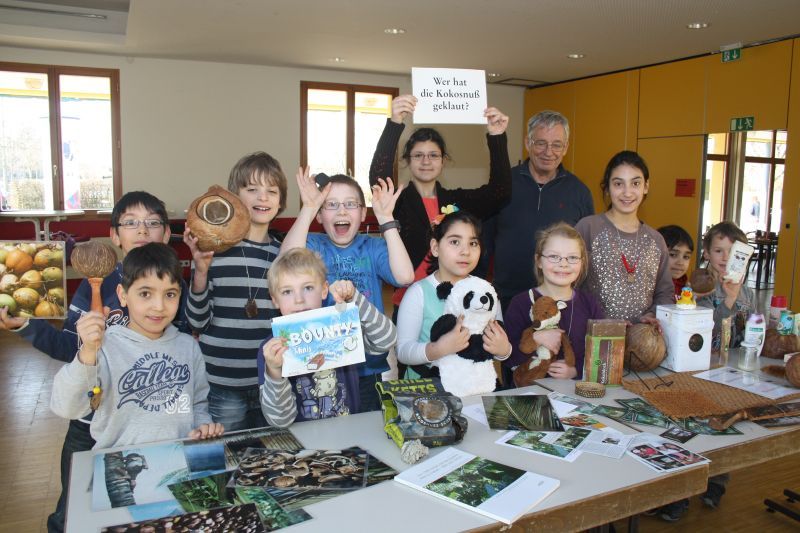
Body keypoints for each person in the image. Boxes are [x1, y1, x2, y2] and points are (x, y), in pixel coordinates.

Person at [0, 190, 185, 533]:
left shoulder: (174, 284)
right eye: (131, 223)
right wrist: (27, 326)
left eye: (152, 223)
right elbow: (67, 347)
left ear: (166, 234)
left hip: (144, 421)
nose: (142, 230)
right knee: (71, 508)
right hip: (89, 421)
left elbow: (183, 345)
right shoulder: (94, 284)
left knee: (139, 503)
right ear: (115, 235)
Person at [50, 243, 224, 449]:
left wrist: (202, 426)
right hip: (120, 467)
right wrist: (87, 351)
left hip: (179, 462)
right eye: (145, 294)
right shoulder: (105, 347)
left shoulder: (188, 347)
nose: (159, 306)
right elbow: (66, 407)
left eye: (170, 294)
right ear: (123, 295)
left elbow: (197, 404)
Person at [280, 170, 413, 410]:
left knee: (366, 430)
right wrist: (309, 207)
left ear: (363, 213)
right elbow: (285, 262)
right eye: (331, 205)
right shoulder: (313, 243)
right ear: (320, 215)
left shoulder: (373, 246)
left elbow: (405, 276)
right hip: (322, 366)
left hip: (367, 364)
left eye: (350, 204)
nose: (341, 211)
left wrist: (385, 219)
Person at [368, 94, 512, 314]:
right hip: (409, 301)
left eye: (433, 155)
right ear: (408, 160)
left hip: (454, 302)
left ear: (443, 161)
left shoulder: (458, 202)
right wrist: (395, 122)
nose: (426, 161)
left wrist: (497, 136)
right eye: (418, 155)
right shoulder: (397, 202)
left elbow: (500, 193)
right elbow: (379, 177)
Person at [184, 152, 287, 430]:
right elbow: (196, 321)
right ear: (234, 199)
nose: (262, 197)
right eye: (252, 189)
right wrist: (201, 271)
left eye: (271, 191)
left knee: (269, 459)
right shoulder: (214, 253)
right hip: (222, 383)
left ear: (281, 202)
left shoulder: (283, 256)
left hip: (271, 382)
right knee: (226, 457)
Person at [258, 249, 397, 426]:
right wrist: (274, 372)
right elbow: (279, 421)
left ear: (324, 290)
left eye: (308, 288)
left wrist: (356, 300)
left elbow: (387, 340)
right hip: (302, 444)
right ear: (274, 300)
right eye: (287, 292)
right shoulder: (272, 351)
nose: (299, 299)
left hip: (349, 435)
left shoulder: (340, 329)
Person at [484, 110, 594, 311]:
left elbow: (585, 255)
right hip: (505, 300)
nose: (548, 152)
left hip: (560, 305)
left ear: (566, 147)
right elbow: (484, 243)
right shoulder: (502, 184)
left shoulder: (580, 193)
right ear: (528, 143)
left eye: (557, 144)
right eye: (541, 143)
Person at [396, 210, 511, 379]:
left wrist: (503, 350)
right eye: (455, 242)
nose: (465, 251)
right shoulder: (418, 293)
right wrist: (439, 349)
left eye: (473, 243)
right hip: (429, 391)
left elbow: (501, 348)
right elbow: (403, 351)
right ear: (435, 248)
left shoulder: (486, 291)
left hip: (473, 388)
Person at [575, 150, 673, 325]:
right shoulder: (588, 228)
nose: (627, 193)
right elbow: (569, 285)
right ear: (607, 187)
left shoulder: (656, 240)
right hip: (595, 338)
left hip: (642, 340)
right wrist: (601, 321)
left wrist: (651, 316)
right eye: (618, 184)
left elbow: (664, 293)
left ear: (646, 187)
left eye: (635, 183)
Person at [503, 223, 604, 381]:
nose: (563, 264)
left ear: (582, 262)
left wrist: (578, 370)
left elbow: (602, 356)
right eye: (554, 256)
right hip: (529, 395)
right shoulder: (520, 303)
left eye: (572, 257)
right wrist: (536, 339)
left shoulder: (590, 303)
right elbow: (506, 358)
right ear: (539, 261)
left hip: (576, 394)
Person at [696, 221, 755, 350]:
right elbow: (707, 329)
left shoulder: (748, 294)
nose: (726, 257)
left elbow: (754, 330)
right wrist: (729, 300)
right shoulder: (703, 291)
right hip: (710, 358)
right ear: (706, 253)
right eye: (718, 251)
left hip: (737, 360)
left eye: (733, 252)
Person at [657, 225, 695, 297]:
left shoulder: (687, 287)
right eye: (673, 255)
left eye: (686, 257)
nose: (680, 263)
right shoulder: (648, 287)